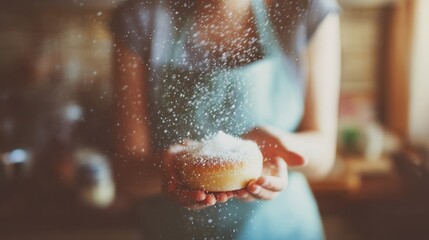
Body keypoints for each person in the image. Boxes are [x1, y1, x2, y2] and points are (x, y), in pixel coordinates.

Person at [110, 0, 340, 239]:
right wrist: (172, 171)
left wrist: (279, 147)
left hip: (281, 228)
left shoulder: (306, 8)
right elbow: (127, 176)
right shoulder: (141, 16)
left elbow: (323, 155)